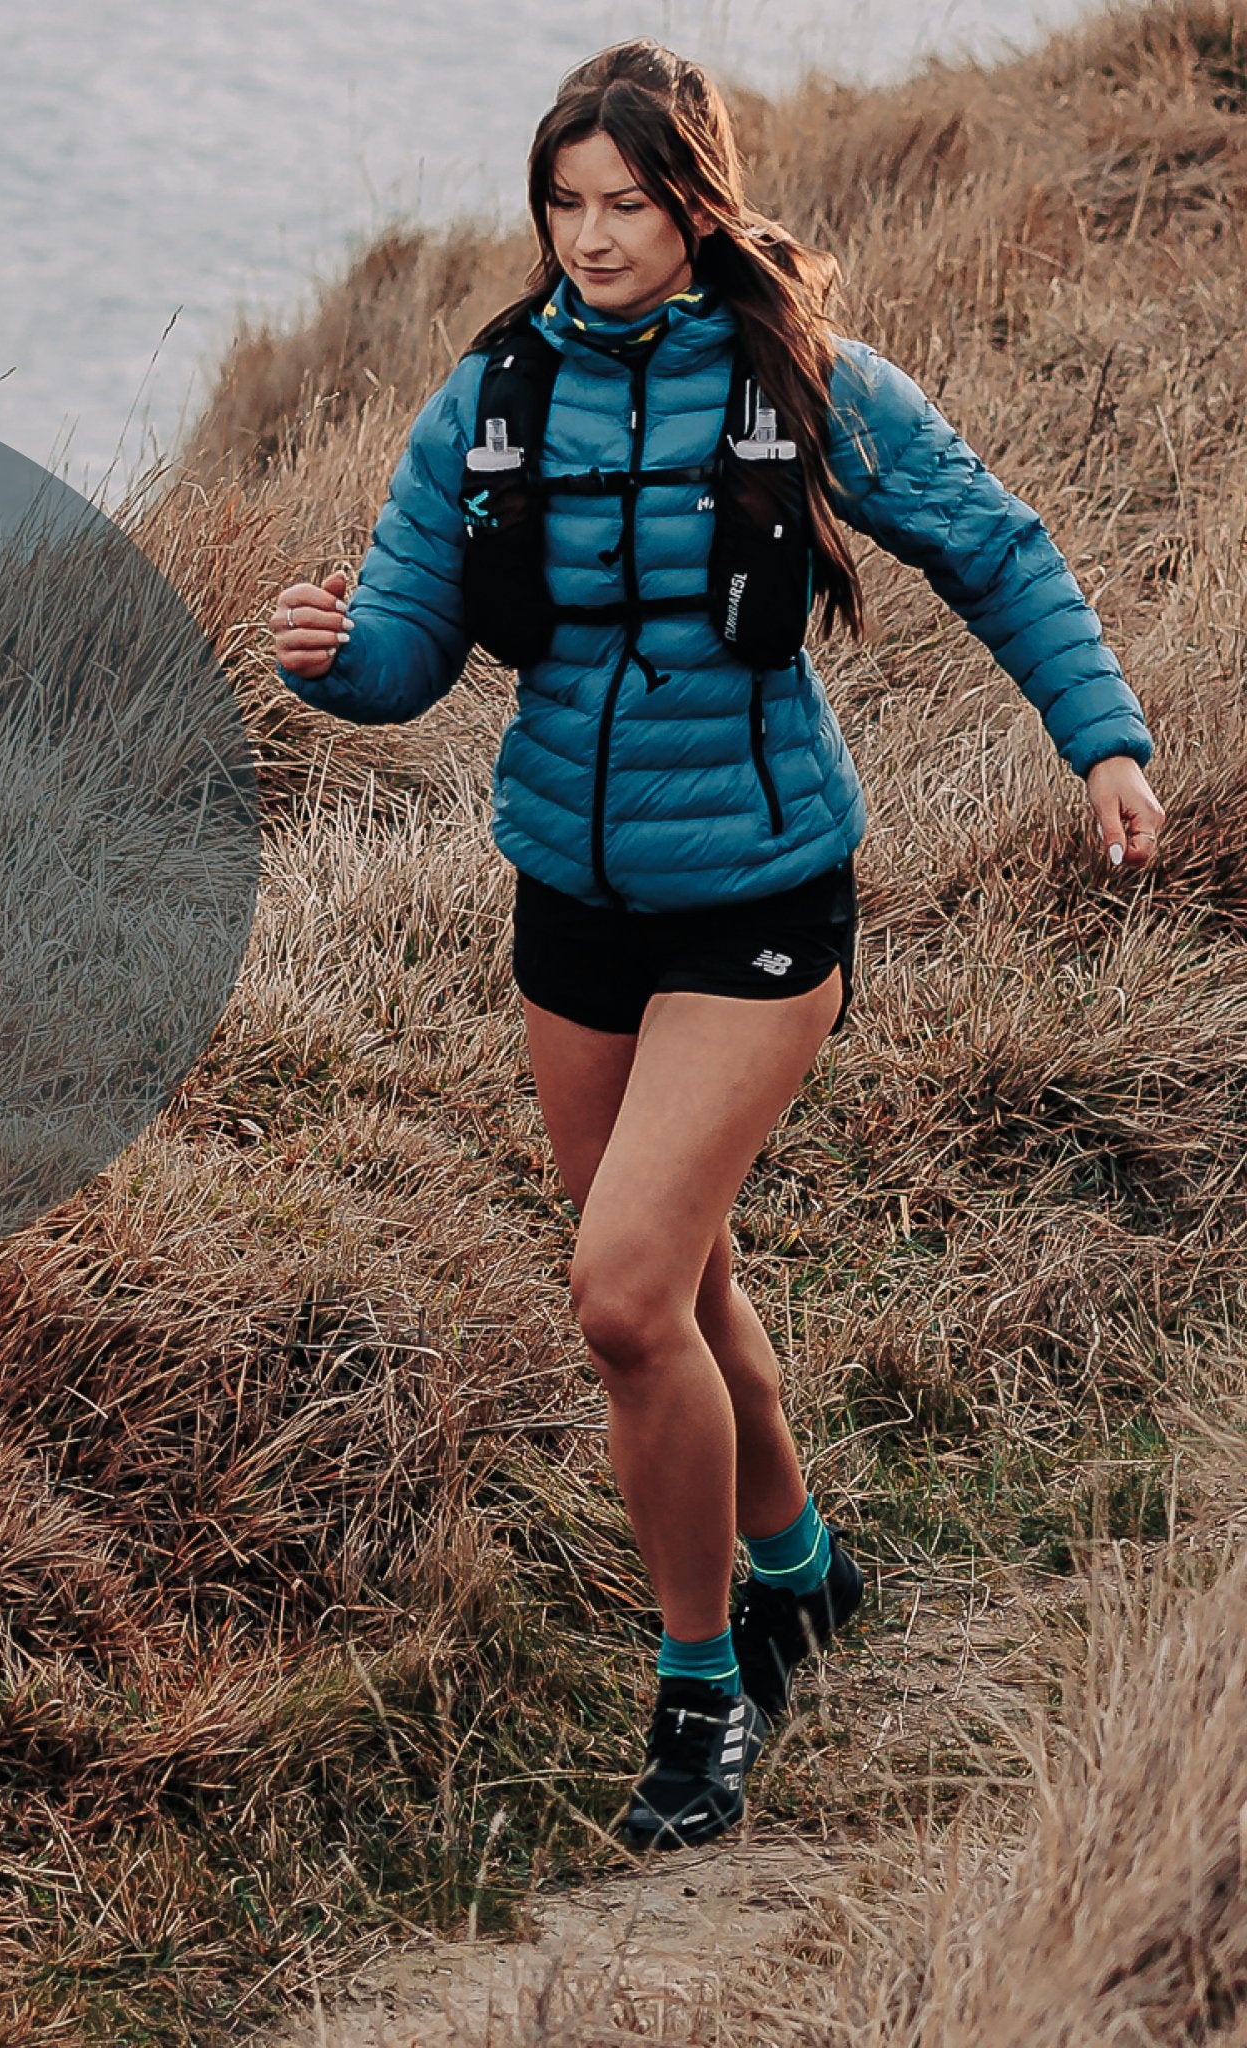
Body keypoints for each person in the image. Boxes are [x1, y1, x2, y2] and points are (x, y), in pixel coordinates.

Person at [270, 39, 1164, 1853]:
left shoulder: (802, 377)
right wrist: (329, 658)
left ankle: (702, 1692)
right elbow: (409, 649)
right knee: (673, 1281)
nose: (593, 240)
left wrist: (1108, 742)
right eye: (565, 207)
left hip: (760, 893)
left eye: (631, 205)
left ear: (700, 201)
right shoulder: (492, 398)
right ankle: (806, 1567)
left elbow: (995, 548)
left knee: (617, 1296)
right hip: (569, 903)